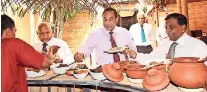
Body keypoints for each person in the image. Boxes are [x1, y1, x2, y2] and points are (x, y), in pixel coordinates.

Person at [127, 13, 207, 65]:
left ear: (183, 28)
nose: (167, 31)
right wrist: (136, 55)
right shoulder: (165, 43)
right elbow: (152, 57)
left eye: (171, 27)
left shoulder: (198, 46)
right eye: (166, 27)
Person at [1, 14, 55, 92]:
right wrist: (49, 56)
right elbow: (46, 63)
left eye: (47, 32)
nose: (15, 35)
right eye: (14, 31)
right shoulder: (13, 44)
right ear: (8, 32)